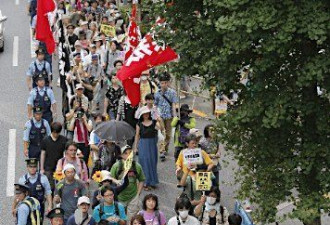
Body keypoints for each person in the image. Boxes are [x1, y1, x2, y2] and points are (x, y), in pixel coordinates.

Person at [110, 145, 145, 220]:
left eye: (130, 153)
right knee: (120, 219)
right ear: (121, 155)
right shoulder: (116, 166)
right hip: (119, 197)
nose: (128, 155)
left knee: (131, 219)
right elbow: (110, 177)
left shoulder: (137, 166)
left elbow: (141, 179)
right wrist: (116, 181)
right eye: (126, 153)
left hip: (133, 196)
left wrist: (138, 194)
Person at [134, 106, 162, 190]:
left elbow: (161, 128)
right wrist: (135, 147)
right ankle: (145, 182)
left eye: (147, 113)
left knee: (153, 162)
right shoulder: (139, 124)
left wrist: (160, 121)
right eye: (144, 114)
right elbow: (137, 135)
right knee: (144, 162)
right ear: (141, 115)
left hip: (152, 144)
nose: (146, 115)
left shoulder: (154, 122)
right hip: (143, 144)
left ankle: (152, 181)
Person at [154, 72, 178, 160]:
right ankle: (162, 151)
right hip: (160, 116)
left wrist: (175, 116)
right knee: (162, 133)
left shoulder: (172, 92)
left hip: (169, 116)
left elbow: (173, 105)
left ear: (167, 83)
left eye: (165, 83)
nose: (163, 85)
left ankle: (165, 147)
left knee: (168, 134)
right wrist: (155, 116)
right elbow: (155, 105)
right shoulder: (157, 93)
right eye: (161, 83)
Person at [40, 122, 68, 191]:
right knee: (50, 187)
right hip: (48, 167)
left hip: (60, 168)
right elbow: (43, 154)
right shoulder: (45, 140)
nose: (56, 134)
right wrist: (41, 168)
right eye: (54, 133)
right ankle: (51, 201)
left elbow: (66, 153)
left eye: (57, 133)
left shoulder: (64, 140)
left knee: (60, 187)